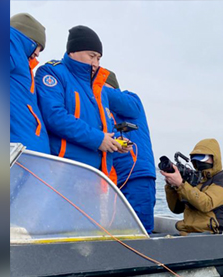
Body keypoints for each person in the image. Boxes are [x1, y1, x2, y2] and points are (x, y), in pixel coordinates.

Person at [34, 25, 137, 182]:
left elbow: (105, 128)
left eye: (99, 58)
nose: (96, 63)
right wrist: (98, 140)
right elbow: (54, 116)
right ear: (73, 51)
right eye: (92, 56)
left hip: (96, 177)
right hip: (63, 172)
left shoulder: (99, 89)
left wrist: (116, 141)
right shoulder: (52, 72)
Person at [104, 72, 156, 233]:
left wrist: (92, 87)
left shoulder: (131, 99)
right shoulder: (102, 113)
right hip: (115, 181)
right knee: (118, 230)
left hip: (137, 176)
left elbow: (126, 105)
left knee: (140, 229)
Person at [162, 139, 223, 235]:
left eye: (202, 157)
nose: (199, 161)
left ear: (214, 158)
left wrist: (181, 184)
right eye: (196, 158)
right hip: (187, 232)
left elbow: (206, 204)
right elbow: (176, 209)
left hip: (210, 234)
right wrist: (171, 186)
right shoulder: (195, 179)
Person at [10, 13, 50, 153]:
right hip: (16, 150)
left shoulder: (20, 58)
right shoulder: (10, 44)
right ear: (29, 40)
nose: (38, 54)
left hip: (23, 150)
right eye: (39, 47)